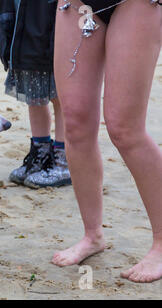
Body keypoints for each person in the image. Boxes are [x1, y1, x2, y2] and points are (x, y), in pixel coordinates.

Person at [52, 0, 162, 283]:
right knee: (75, 123)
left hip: (137, 4)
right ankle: (93, 235)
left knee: (125, 129)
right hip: (76, 4)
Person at [0, 0, 71, 188]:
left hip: (56, 36)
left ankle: (63, 160)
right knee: (34, 97)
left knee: (60, 97)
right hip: (21, 37)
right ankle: (40, 153)